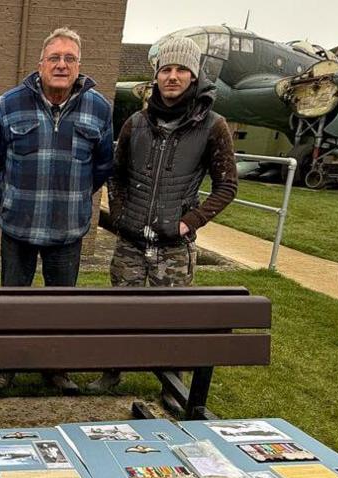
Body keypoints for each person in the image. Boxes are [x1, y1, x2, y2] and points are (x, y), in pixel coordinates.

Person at [89, 35, 238, 393]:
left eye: (181, 70)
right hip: (131, 242)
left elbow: (227, 186)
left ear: (194, 76)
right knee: (120, 315)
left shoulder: (212, 126)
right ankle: (112, 373)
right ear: (156, 76)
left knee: (174, 319)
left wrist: (190, 221)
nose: (172, 76)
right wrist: (121, 214)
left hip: (175, 246)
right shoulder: (136, 124)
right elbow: (117, 173)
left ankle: (173, 386)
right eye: (166, 69)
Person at [0, 27, 114, 395]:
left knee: (62, 307)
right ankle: (4, 367)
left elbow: (103, 166)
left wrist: (74, 197)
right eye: (54, 58)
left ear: (79, 65)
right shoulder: (10, 103)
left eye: (69, 58)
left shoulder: (99, 108)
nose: (61, 64)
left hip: (68, 230)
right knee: (12, 303)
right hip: (18, 226)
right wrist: (8, 194)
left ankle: (55, 369)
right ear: (40, 64)